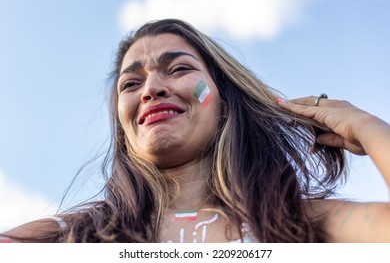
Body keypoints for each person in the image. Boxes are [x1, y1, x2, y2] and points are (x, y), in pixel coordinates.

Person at [1, 18, 390, 243]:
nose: (152, 89)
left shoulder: (305, 224)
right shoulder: (68, 237)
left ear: (225, 97)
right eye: (130, 84)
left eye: (179, 69)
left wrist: (372, 130)